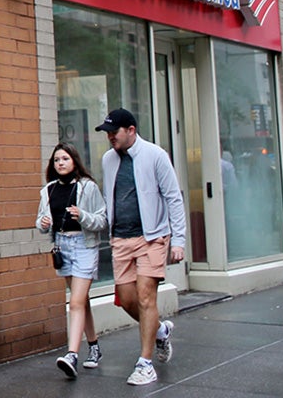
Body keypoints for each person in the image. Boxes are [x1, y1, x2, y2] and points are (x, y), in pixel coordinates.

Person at [95, 108, 186, 386]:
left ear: (131, 130)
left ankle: (145, 363)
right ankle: (159, 330)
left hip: (152, 238)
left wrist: (178, 241)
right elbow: (109, 197)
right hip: (121, 239)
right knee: (127, 299)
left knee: (147, 297)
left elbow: (173, 198)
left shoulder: (156, 155)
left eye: (114, 131)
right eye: (107, 132)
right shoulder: (108, 159)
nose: (110, 136)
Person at [35, 142, 108, 378]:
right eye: (57, 160)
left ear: (74, 161)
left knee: (75, 302)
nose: (61, 163)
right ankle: (94, 347)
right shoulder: (48, 190)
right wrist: (43, 224)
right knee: (81, 301)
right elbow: (40, 221)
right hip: (62, 247)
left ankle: (72, 355)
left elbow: (102, 221)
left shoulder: (88, 187)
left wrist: (82, 215)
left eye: (65, 158)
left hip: (84, 246)